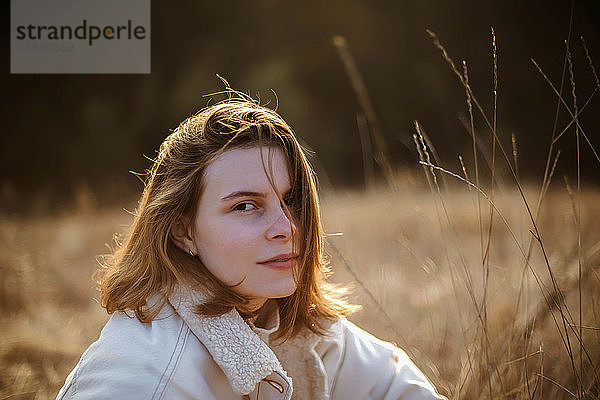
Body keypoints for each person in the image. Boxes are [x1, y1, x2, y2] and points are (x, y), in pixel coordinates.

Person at [56, 93, 446, 400]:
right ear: (183, 233)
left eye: (291, 200)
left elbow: (396, 387)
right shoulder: (147, 379)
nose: (286, 227)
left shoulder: (293, 326)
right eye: (245, 206)